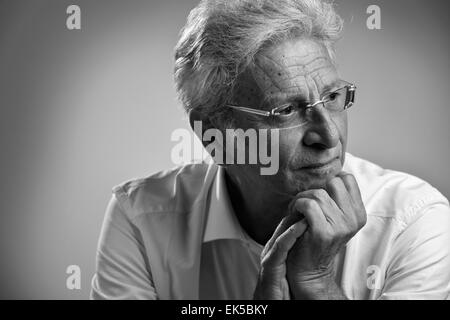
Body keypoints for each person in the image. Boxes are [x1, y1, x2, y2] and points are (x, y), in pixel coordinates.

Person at [90, 0, 450, 300]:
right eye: (286, 111)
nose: (328, 135)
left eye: (333, 97)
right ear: (214, 134)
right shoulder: (141, 219)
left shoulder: (414, 221)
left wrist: (317, 284)